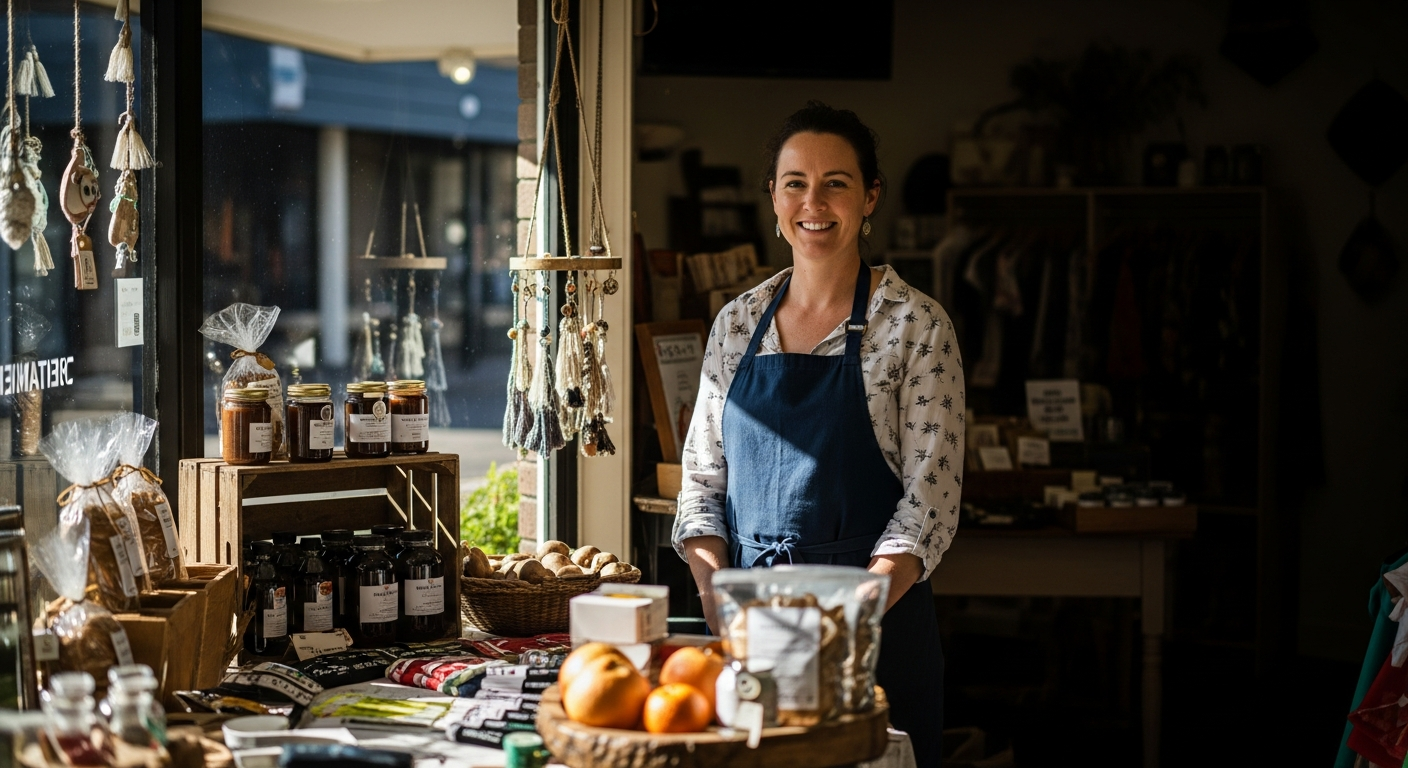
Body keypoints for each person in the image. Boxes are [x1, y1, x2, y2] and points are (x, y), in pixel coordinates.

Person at [672, 101, 964, 767]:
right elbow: (701, 481)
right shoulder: (737, 323)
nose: (814, 202)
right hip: (753, 626)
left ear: (870, 197)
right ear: (773, 197)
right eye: (796, 182)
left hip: (875, 628)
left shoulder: (915, 326)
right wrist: (715, 590)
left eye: (836, 182)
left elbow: (929, 505)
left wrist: (850, 613)